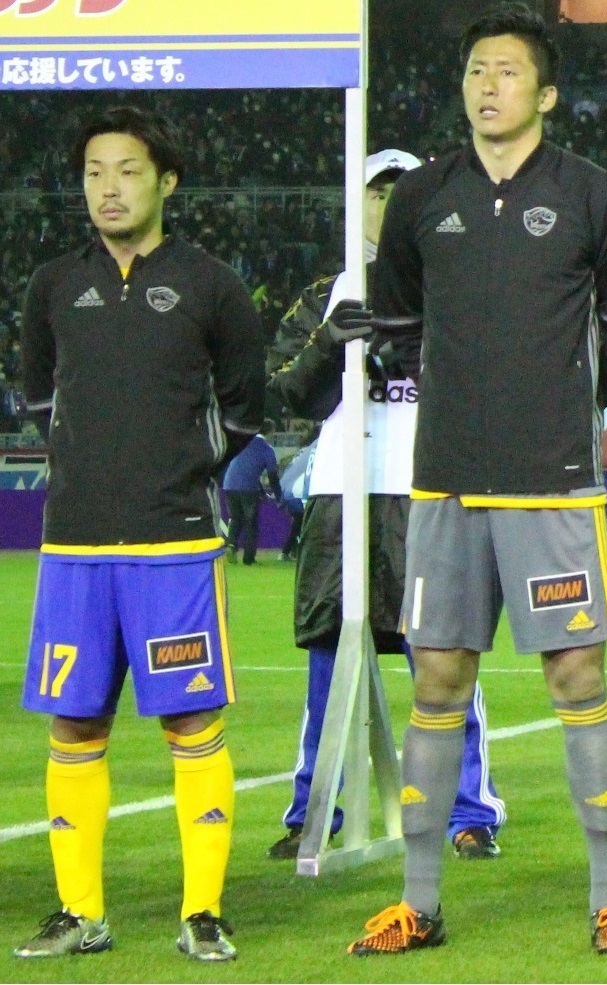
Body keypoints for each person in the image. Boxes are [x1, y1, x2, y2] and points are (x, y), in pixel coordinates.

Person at [345, 3, 607, 957]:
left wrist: (562, 403)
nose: (489, 85)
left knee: (577, 674)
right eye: (478, 69)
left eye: (509, 71)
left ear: (547, 95)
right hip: (444, 477)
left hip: (553, 484)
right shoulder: (422, 198)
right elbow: (399, 320)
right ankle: (419, 902)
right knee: (437, 677)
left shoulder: (594, 195)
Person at [13, 107, 264, 962]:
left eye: (125, 170)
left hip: (173, 544)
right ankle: (79, 911)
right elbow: (40, 399)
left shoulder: (211, 285)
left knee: (191, 720)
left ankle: (203, 911)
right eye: (94, 173)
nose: (108, 188)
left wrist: (177, 468)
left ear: (167, 181)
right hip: (74, 545)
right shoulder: (53, 285)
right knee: (74, 723)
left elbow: (243, 408)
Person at [265, 150, 506, 863]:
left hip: (428, 487)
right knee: (328, 655)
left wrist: (416, 349)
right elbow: (286, 391)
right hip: (342, 491)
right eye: (378, 194)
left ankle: (469, 811)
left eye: (404, 194)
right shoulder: (325, 294)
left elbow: (490, 383)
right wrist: (328, 344)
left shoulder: (459, 282)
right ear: (357, 203)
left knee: (444, 654)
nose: (390, 206)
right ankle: (314, 811)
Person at [220, 429, 277, 564]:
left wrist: (261, 491)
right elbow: (273, 476)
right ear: (270, 431)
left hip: (229, 485)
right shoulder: (266, 448)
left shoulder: (242, 442)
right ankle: (248, 558)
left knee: (235, 518)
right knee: (251, 523)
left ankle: (231, 545)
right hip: (248, 488)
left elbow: (246, 470)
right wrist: (278, 496)